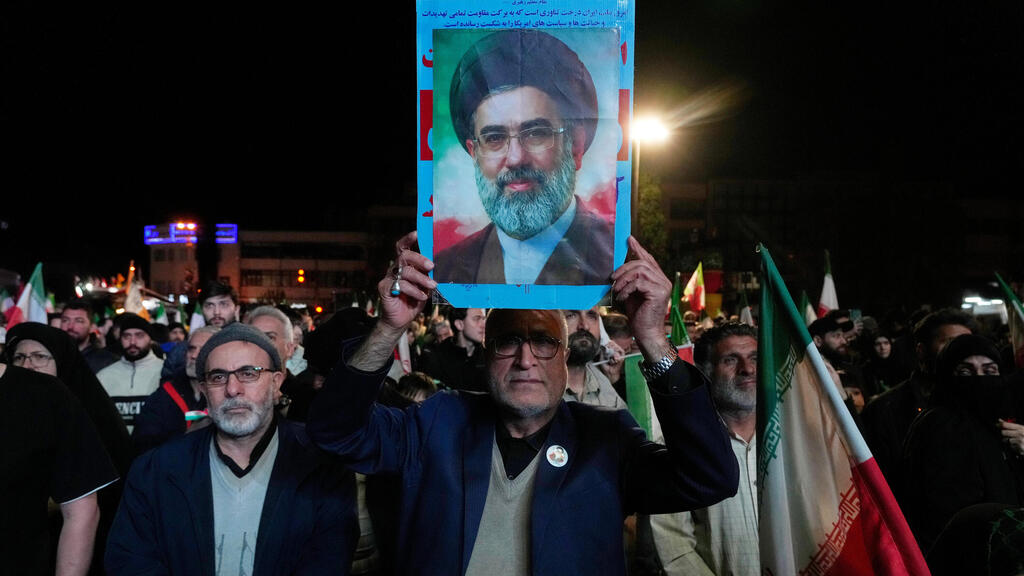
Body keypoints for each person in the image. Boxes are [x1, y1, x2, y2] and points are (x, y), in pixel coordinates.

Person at [307, 231, 738, 575]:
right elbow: (335, 432)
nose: (526, 359)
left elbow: (711, 478)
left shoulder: (606, 440)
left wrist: (652, 338)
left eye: (545, 342)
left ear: (567, 358)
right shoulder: (438, 422)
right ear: (487, 353)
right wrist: (387, 329)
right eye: (509, 340)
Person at [106, 323, 360, 575]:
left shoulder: (322, 466)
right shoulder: (156, 470)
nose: (232, 389)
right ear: (204, 390)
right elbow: (130, 560)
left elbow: (328, 561)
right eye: (218, 377)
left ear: (276, 384)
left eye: (249, 373)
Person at [433, 29, 613, 285]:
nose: (516, 158)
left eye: (536, 133)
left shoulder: (616, 260)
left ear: (575, 147)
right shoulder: (443, 271)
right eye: (495, 138)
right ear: (475, 154)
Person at [4, 322, 132, 576]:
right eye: (19, 357)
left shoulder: (82, 411)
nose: (28, 365)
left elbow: (89, 502)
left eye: (39, 357)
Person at [650, 323, 760, 576]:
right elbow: (673, 543)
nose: (748, 369)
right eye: (731, 360)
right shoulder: (676, 446)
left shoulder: (790, 440)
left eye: (755, 358)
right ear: (706, 372)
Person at [901, 333, 1024, 554]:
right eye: (965, 371)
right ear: (947, 376)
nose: (979, 379)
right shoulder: (941, 426)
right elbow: (944, 516)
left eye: (989, 371)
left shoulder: (996, 425)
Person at [860, 308, 977, 487]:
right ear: (921, 350)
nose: (961, 352)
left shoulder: (985, 405)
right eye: (950, 342)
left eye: (968, 343)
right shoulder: (884, 411)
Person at [131, 325, 218, 454]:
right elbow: (142, 446)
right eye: (191, 349)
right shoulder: (163, 397)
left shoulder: (231, 394)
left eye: (203, 350)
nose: (193, 355)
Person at [96, 313, 164, 432]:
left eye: (139, 336)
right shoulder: (104, 376)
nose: (132, 342)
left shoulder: (165, 371)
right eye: (126, 336)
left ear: (150, 339)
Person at [562, 307, 627, 409]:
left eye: (591, 316)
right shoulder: (536, 386)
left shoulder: (603, 384)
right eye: (571, 315)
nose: (585, 326)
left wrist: (613, 379)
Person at [420, 307, 488, 392]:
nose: (484, 325)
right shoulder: (437, 358)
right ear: (459, 324)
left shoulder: (489, 357)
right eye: (477, 319)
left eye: (484, 319)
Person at [60, 300, 117, 374]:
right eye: (65, 320)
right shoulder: (52, 358)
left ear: (92, 328)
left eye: (79, 321)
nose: (70, 326)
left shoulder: (108, 362)